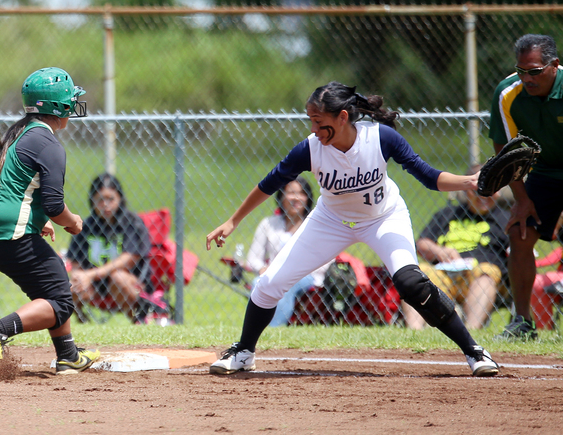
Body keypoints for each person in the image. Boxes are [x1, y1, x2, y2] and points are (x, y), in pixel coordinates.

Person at [206, 81, 499, 377]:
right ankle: (244, 351)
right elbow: (269, 183)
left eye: (319, 122)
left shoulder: (380, 138)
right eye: (311, 121)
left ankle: (475, 352)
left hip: (383, 218)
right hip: (330, 221)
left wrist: (468, 181)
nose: (314, 129)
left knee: (412, 284)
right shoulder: (311, 148)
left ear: (343, 117)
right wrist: (233, 221)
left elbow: (428, 176)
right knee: (268, 284)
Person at [0, 67, 100, 375]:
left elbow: (18, 185)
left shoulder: (23, 131)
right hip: (6, 232)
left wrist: (37, 220)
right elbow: (54, 204)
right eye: (70, 98)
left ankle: (68, 356)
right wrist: (72, 222)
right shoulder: (48, 144)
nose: (73, 103)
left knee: (54, 289)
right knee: (62, 300)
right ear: (59, 107)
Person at [488, 34, 563, 340]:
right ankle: (522, 322)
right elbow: (504, 148)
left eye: (534, 71)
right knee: (519, 234)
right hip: (544, 173)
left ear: (554, 66)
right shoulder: (508, 93)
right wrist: (520, 199)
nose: (527, 78)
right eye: (521, 71)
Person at [402, 165, 510, 330]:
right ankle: (414, 331)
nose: (483, 196)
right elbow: (422, 243)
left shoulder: (506, 220)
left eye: (489, 190)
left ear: (499, 192)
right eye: (477, 190)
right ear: (467, 191)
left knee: (486, 272)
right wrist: (440, 251)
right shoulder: (449, 214)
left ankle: (470, 332)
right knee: (415, 273)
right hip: (446, 276)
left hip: (480, 278)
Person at [67, 173, 166, 324]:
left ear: (120, 199)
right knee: (69, 284)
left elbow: (128, 259)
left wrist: (91, 274)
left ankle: (137, 320)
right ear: (92, 201)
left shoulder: (132, 223)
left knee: (117, 277)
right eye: (100, 199)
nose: (105, 204)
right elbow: (75, 262)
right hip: (95, 287)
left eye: (111, 199)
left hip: (131, 283)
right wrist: (79, 276)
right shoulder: (85, 226)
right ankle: (82, 321)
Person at [245, 176, 333, 326]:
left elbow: (328, 259)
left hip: (307, 276)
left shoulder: (316, 226)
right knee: (257, 282)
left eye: (301, 193)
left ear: (308, 198)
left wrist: (297, 272)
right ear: (281, 196)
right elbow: (252, 258)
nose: (296, 198)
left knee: (285, 284)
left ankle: (272, 328)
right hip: (273, 273)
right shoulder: (268, 224)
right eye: (290, 193)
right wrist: (262, 268)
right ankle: (253, 328)